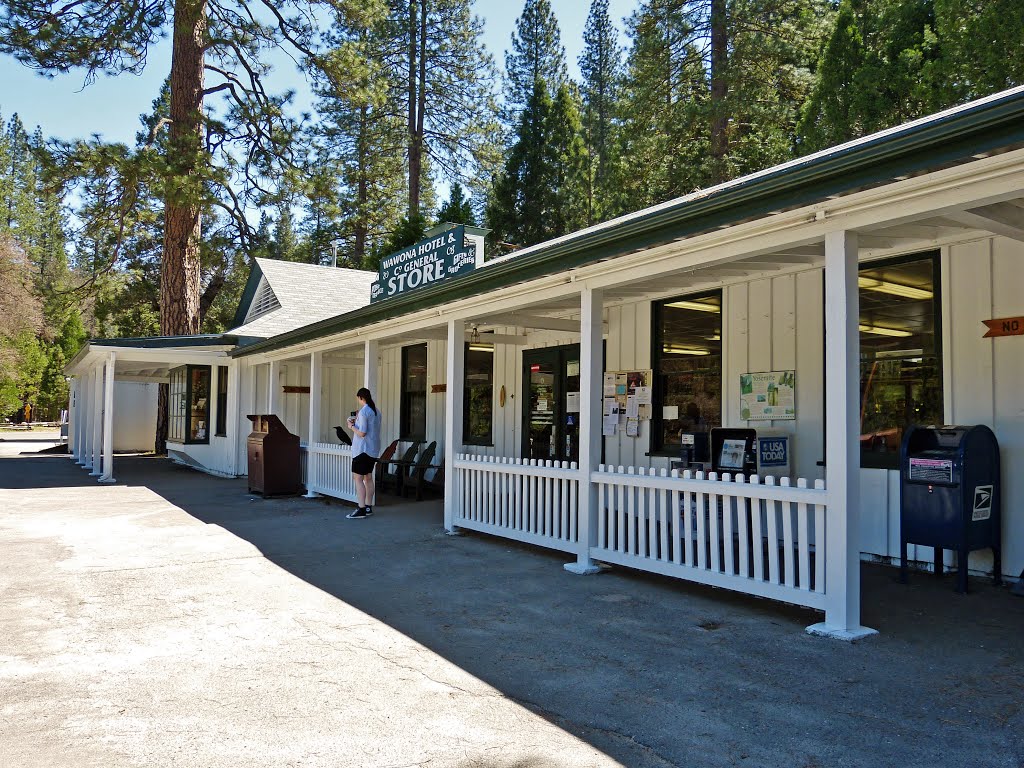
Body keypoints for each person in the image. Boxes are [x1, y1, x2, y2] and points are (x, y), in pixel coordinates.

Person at [346, 387, 381, 519]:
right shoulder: (376, 411)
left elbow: (362, 433)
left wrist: (351, 426)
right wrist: (357, 421)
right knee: (368, 478)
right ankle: (368, 507)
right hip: (373, 449)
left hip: (362, 450)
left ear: (361, 398)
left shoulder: (364, 411)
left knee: (358, 479)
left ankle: (360, 508)